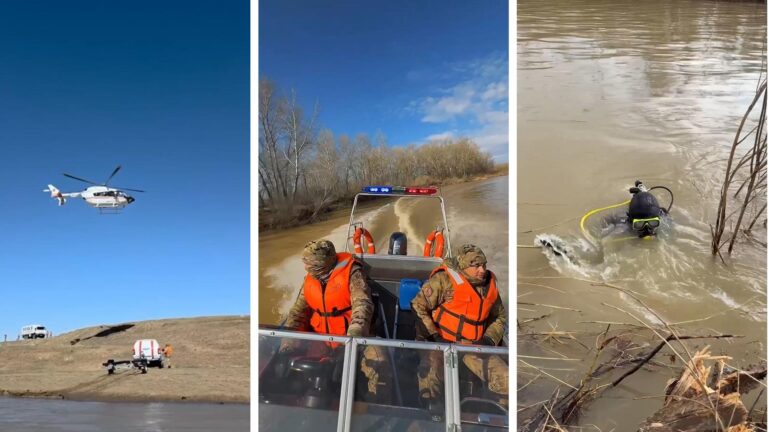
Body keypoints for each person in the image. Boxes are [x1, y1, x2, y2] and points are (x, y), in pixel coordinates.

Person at [280, 239, 390, 402]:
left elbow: (362, 304)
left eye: (315, 266)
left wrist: (352, 337)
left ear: (329, 262)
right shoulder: (310, 279)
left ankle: (375, 408)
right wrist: (287, 343)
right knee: (294, 370)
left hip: (352, 336)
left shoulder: (353, 273)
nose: (310, 270)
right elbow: (298, 312)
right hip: (319, 337)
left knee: (379, 362)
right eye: (308, 266)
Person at [411, 244, 508, 409]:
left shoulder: (490, 286)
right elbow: (418, 306)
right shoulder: (444, 280)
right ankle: (432, 413)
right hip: (441, 344)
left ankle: (500, 414)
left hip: (475, 346)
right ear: (463, 266)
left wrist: (488, 340)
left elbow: (499, 317)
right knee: (429, 372)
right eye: (476, 266)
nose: (482, 270)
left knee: (506, 378)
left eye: (484, 265)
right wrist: (435, 337)